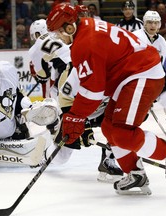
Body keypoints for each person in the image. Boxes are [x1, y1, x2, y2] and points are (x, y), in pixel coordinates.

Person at [46, 3, 166, 195]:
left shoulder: (83, 44)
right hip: (131, 76)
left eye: (58, 32)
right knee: (108, 127)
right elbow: (95, 85)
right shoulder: (87, 25)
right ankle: (135, 173)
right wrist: (77, 116)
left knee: (122, 132)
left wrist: (76, 116)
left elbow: (93, 90)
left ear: (70, 27)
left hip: (142, 74)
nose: (57, 37)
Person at [29, 17, 123, 183]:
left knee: (64, 153)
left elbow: (42, 75)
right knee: (115, 122)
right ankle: (108, 159)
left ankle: (45, 155)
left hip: (70, 89)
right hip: (82, 87)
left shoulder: (37, 48)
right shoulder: (74, 38)